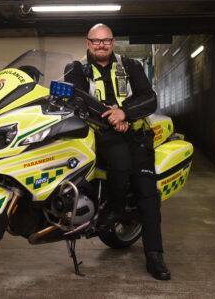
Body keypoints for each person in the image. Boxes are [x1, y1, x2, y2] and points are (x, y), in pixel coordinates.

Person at [64, 23, 170, 280]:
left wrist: (125, 113)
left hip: (137, 135)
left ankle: (154, 255)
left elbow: (149, 98)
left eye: (107, 40)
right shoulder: (76, 68)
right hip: (99, 135)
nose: (102, 45)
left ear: (113, 43)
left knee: (148, 193)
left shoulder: (131, 66)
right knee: (117, 161)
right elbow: (74, 97)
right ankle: (112, 207)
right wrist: (109, 117)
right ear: (88, 43)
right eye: (96, 41)